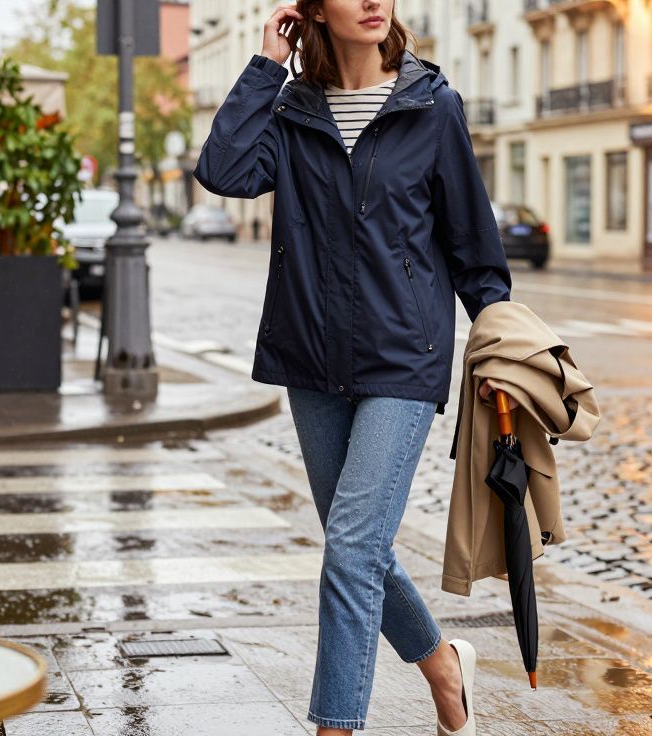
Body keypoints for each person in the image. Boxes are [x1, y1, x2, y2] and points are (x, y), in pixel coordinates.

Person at [194, 2, 511, 734]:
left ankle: (335, 728)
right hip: (312, 358)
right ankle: (443, 667)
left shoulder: (433, 107)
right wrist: (266, 66)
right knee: (356, 548)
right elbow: (223, 169)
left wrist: (493, 343)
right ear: (312, 10)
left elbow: (475, 247)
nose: (374, 1)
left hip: (404, 358)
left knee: (351, 549)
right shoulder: (291, 112)